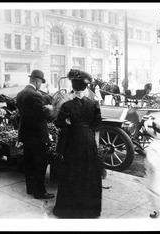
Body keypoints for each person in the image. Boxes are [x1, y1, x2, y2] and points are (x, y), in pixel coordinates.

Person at [52, 69, 103, 218]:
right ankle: (89, 209)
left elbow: (59, 124)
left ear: (73, 87)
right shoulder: (94, 104)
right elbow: (97, 126)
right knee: (88, 172)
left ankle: (68, 209)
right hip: (88, 141)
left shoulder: (67, 105)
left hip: (73, 141)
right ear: (86, 87)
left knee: (71, 172)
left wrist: (68, 122)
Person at [16, 69, 54, 200]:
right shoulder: (36, 95)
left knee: (29, 163)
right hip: (37, 135)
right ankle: (39, 192)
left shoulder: (21, 93)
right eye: (40, 83)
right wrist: (48, 109)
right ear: (37, 82)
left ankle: (30, 188)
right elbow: (41, 115)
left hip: (26, 134)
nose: (40, 86)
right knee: (40, 164)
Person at [143, 117, 160, 218]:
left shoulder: (153, 146)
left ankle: (158, 212)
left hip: (156, 175)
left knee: (155, 194)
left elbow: (151, 164)